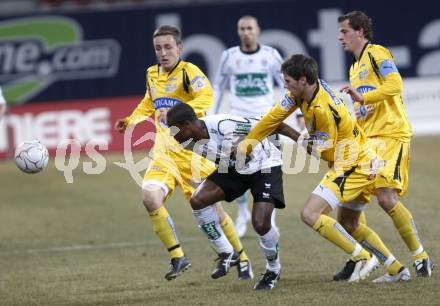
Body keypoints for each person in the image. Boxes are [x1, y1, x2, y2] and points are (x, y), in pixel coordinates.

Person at [240, 54, 413, 282]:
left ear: (303, 80)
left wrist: (293, 134)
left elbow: (318, 150)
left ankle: (363, 257)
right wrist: (245, 147)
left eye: (288, 81)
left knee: (310, 213)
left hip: (353, 165)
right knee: (350, 223)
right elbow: (272, 118)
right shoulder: (303, 93)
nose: (285, 85)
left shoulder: (325, 109)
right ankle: (397, 270)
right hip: (355, 159)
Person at [114, 25, 252, 281]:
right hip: (164, 155)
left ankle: (241, 258)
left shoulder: (190, 73)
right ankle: (178, 256)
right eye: (158, 48)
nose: (163, 53)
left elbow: (206, 97)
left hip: (193, 157)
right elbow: (149, 101)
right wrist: (131, 120)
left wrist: (178, 110)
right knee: (149, 198)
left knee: (215, 213)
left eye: (168, 47)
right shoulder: (151, 74)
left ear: (179, 48)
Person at [335, 10, 433, 281]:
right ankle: (394, 268)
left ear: (360, 32)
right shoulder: (354, 68)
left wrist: (364, 100)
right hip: (367, 144)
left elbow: (395, 85)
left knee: (387, 197)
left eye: (344, 31)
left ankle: (421, 257)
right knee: (346, 218)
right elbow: (364, 106)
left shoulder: (377, 54)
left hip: (391, 135)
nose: (340, 37)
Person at [167, 103, 293, 290]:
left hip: (265, 163)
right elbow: (222, 160)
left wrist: (303, 140)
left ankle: (273, 269)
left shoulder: (223, 124)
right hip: (235, 168)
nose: (170, 134)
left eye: (172, 129)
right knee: (198, 200)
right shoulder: (187, 141)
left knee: (260, 224)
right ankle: (227, 252)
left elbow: (271, 124)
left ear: (186, 125)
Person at [211, 15, 287, 237]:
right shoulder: (229, 56)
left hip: (267, 121)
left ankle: (270, 217)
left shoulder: (271, 55)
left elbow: (285, 85)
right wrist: (211, 116)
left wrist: (296, 113)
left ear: (258, 30)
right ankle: (243, 212)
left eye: (249, 28)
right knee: (236, 167)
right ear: (238, 32)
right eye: (242, 29)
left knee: (269, 169)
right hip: (238, 122)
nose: (246, 32)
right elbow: (218, 86)